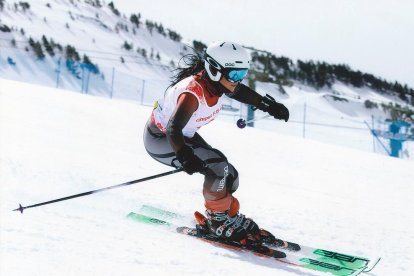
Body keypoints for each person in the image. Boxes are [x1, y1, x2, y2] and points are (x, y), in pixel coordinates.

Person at [144, 41, 289, 245]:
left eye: (242, 73)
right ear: (213, 70)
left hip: (182, 136)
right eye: (234, 75)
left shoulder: (219, 83)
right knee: (218, 166)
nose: (237, 80)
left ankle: (226, 215)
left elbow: (242, 93)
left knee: (230, 175)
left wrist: (269, 106)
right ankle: (216, 220)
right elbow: (172, 129)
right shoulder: (192, 93)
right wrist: (185, 156)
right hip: (161, 138)